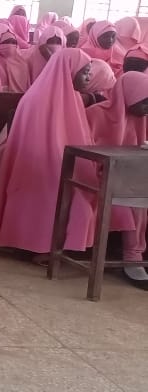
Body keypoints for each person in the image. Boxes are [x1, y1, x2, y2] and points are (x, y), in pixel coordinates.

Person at [0, 49, 93, 257]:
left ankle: (57, 245)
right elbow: (35, 146)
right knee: (70, 199)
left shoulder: (74, 99)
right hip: (39, 168)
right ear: (69, 71)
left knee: (86, 196)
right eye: (85, 71)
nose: (89, 78)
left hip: (63, 164)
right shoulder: (37, 99)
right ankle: (38, 246)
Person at [67, 72, 148, 288]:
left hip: (130, 176)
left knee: (140, 192)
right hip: (96, 174)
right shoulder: (96, 114)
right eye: (144, 102)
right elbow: (81, 150)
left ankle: (135, 256)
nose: (146, 108)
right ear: (129, 96)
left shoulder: (142, 119)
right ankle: (132, 259)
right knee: (135, 202)